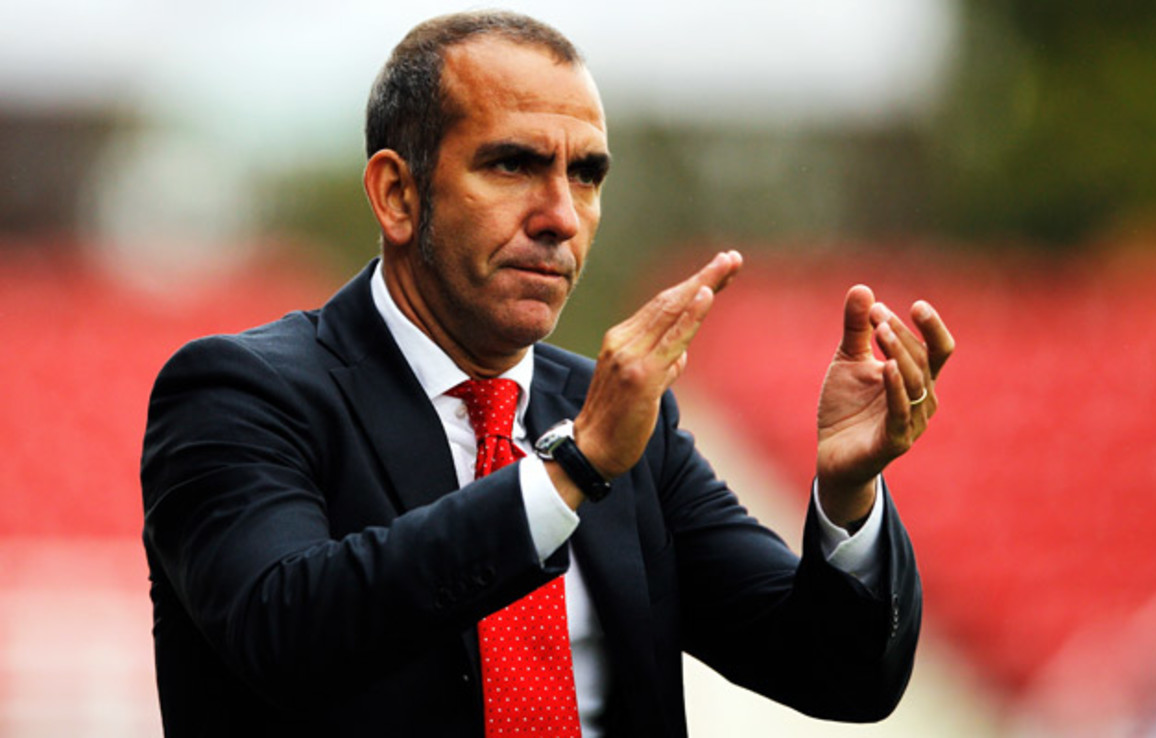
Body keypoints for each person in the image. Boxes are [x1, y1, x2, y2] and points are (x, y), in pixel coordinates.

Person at [141, 10, 954, 738]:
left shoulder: (625, 424)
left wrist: (848, 493)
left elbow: (840, 675)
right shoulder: (238, 392)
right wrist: (570, 471)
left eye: (587, 175)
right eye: (512, 165)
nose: (561, 216)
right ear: (397, 195)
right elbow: (285, 633)